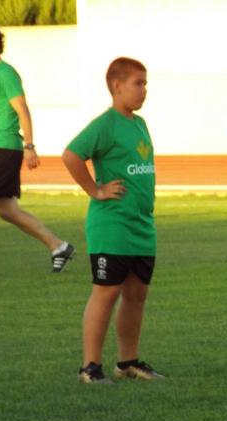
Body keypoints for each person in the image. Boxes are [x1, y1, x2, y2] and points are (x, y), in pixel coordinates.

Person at [62, 57, 163, 384]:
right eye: (138, 83)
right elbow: (71, 154)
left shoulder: (140, 123)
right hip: (112, 226)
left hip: (141, 227)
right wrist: (95, 189)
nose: (144, 90)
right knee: (106, 293)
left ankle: (127, 362)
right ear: (117, 86)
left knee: (137, 295)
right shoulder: (105, 124)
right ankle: (89, 367)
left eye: (145, 83)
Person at [0, 21, 74, 277]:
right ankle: (58, 246)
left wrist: (30, 145)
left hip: (4, 147)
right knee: (7, 210)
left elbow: (22, 109)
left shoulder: (5, 73)